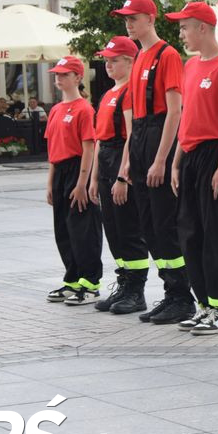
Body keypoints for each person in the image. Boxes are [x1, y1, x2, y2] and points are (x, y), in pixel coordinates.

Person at [113, 0, 195, 325]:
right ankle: (170, 291)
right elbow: (134, 120)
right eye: (126, 18)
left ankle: (182, 296)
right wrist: (131, 161)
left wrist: (161, 159)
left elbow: (175, 110)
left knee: (165, 223)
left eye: (134, 17)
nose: (128, 23)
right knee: (149, 226)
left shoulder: (167, 55)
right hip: (142, 138)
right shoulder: (139, 58)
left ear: (150, 19)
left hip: (161, 135)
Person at [164, 2, 218, 335]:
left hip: (215, 153)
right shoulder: (190, 66)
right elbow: (188, 118)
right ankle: (205, 305)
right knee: (189, 233)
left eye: (184, 27)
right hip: (191, 154)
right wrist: (176, 162)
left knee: (215, 233)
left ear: (203, 28)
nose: (181, 34)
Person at [88, 36, 151, 315]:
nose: (108, 65)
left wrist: (123, 176)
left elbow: (131, 135)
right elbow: (99, 139)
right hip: (105, 161)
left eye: (115, 60)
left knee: (128, 229)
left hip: (120, 160)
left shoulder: (130, 93)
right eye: (106, 60)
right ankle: (124, 283)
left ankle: (136, 291)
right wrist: (93, 177)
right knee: (113, 230)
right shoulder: (107, 94)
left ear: (130, 61)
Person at [44, 56, 103, 305]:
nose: (59, 78)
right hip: (60, 171)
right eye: (57, 74)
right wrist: (50, 182)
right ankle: (73, 279)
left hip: (78, 169)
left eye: (65, 74)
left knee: (83, 229)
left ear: (78, 78)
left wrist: (82, 183)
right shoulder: (56, 110)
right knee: (64, 229)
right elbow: (52, 149)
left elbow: (89, 147)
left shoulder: (84, 109)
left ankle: (90, 283)